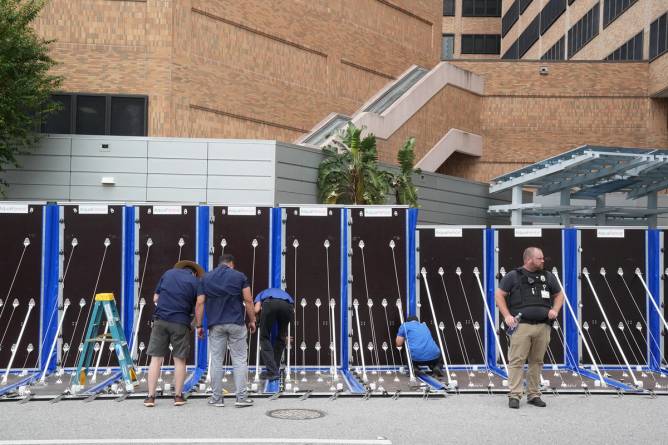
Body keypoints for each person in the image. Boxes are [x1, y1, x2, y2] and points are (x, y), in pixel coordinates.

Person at [495, 246, 564, 409]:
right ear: (528, 259)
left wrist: (555, 310)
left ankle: (533, 394)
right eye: (539, 258)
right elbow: (499, 295)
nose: (543, 260)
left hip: (543, 326)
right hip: (521, 326)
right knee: (516, 361)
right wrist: (506, 315)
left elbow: (559, 295)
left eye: (542, 258)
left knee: (537, 361)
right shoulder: (513, 276)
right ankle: (514, 395)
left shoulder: (548, 276)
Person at [195, 254, 256, 408]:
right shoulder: (239, 276)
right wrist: (252, 320)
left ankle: (216, 398)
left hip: (216, 325)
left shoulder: (205, 278)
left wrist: (199, 325)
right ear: (231, 264)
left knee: (216, 360)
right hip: (236, 323)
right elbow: (248, 300)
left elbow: (200, 302)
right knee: (239, 359)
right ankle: (241, 398)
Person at [144, 260, 204, 408]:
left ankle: (150, 397)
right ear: (194, 272)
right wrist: (198, 325)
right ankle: (178, 396)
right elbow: (199, 305)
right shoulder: (196, 282)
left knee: (156, 359)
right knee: (179, 360)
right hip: (180, 322)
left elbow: (155, 298)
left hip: (161, 320)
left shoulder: (168, 274)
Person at [253, 287, 294, 380]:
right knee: (281, 338)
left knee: (264, 337)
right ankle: (275, 368)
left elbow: (256, 309)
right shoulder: (285, 294)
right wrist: (286, 335)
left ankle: (272, 371)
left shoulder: (261, 294)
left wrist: (255, 320)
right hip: (288, 306)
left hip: (270, 303)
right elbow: (292, 311)